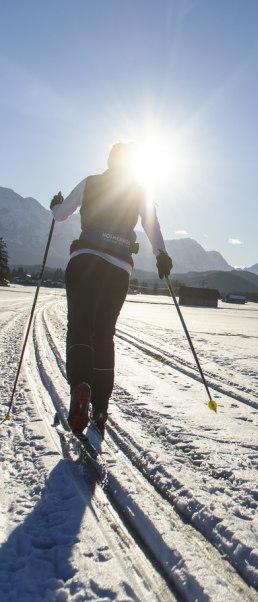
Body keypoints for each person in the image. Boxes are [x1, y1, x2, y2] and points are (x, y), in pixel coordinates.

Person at [50, 141, 173, 434]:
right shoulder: (140, 191)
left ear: (109, 161)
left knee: (80, 327)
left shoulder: (91, 182)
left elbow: (61, 214)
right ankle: (101, 406)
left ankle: (81, 384)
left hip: (85, 259)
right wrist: (162, 255)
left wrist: (56, 203)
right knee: (104, 334)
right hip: (119, 267)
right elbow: (151, 225)